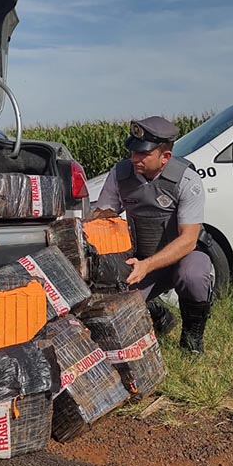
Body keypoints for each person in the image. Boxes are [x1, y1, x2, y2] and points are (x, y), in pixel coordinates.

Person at [93, 116, 214, 353]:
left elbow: (188, 239)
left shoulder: (187, 180)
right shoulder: (120, 174)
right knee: (116, 303)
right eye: (132, 151)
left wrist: (146, 266)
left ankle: (192, 340)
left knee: (194, 276)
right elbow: (103, 215)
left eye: (143, 154)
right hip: (143, 257)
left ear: (165, 157)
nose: (134, 158)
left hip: (183, 255)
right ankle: (159, 315)